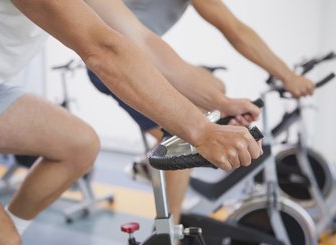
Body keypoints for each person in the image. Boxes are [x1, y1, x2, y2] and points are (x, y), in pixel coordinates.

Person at [0, 0, 262, 245]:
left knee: (79, 144)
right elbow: (102, 49)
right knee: (0, 243)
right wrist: (201, 131)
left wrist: (218, 102)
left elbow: (141, 38)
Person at [85, 0, 315, 225]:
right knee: (184, 138)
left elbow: (147, 42)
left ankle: (154, 168)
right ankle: (168, 232)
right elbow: (235, 30)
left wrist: (223, 102)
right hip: (120, 61)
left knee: (216, 88)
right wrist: (287, 75)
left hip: (142, 54)